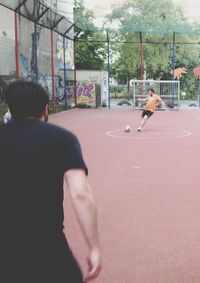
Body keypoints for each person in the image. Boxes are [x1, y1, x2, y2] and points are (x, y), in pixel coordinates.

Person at [0, 80, 101, 283]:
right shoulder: (62, 139)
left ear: (9, 108)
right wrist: (94, 247)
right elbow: (81, 193)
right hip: (46, 242)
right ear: (46, 109)